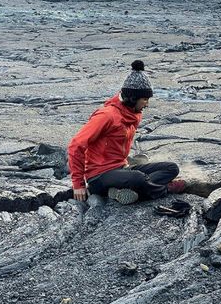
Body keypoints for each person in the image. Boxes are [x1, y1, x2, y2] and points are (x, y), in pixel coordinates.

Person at [68, 60, 185, 204]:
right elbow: (76, 145)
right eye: (145, 99)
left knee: (171, 168)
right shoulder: (107, 116)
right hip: (99, 175)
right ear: (132, 98)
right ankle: (165, 189)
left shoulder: (134, 113)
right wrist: (78, 184)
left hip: (121, 169)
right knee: (138, 177)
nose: (147, 104)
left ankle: (124, 192)